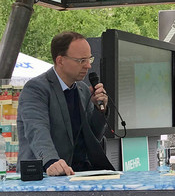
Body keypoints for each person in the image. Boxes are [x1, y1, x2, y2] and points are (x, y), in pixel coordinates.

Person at [17, 31, 114, 176]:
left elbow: (92, 137)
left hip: (78, 175)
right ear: (60, 60)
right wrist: (51, 161)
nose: (88, 66)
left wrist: (99, 110)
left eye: (89, 59)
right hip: (43, 177)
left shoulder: (83, 90)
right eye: (81, 60)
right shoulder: (36, 89)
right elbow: (37, 130)